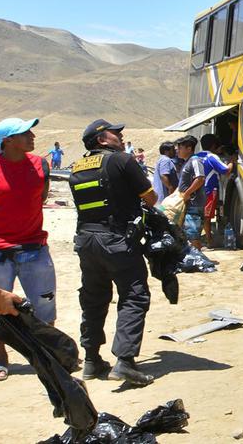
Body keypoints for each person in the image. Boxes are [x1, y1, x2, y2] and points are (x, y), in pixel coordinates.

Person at [69, 118, 157, 385]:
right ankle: (125, 361)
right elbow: (150, 198)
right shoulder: (122, 160)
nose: (121, 135)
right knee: (134, 295)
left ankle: (92, 359)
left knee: (93, 298)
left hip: (86, 240)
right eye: (115, 133)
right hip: (117, 240)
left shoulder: (78, 166)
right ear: (101, 140)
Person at [0, 117, 55, 381]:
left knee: (44, 306)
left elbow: (40, 197)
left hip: (35, 247)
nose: (32, 135)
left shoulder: (41, 165)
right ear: (7, 141)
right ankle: (1, 359)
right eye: (24, 132)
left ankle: (46, 355)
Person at [196, 134, 231, 247]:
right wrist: (232, 161)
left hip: (197, 190)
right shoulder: (212, 157)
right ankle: (209, 241)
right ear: (214, 145)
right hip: (209, 190)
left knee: (199, 215)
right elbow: (225, 170)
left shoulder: (196, 156)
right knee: (207, 217)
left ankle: (197, 239)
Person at [174, 135, 206, 246]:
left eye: (180, 148)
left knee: (193, 236)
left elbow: (200, 178)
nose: (177, 150)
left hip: (194, 204)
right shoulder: (187, 162)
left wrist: (187, 193)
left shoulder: (195, 161)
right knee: (188, 235)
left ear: (189, 149)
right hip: (188, 204)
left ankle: (198, 261)